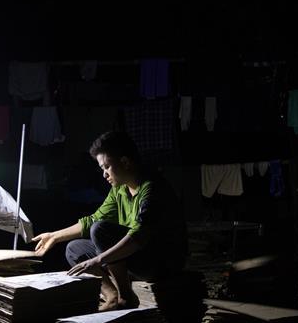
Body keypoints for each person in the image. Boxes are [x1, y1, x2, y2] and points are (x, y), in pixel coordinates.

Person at [33, 132, 187, 310]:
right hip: (135, 257)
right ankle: (112, 296)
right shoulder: (119, 190)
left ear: (125, 162)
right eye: (102, 169)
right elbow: (92, 220)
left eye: (107, 167)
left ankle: (126, 296)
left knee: (101, 231)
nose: (105, 174)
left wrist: (98, 260)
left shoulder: (151, 188)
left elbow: (138, 237)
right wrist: (54, 236)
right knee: (75, 249)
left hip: (160, 261)